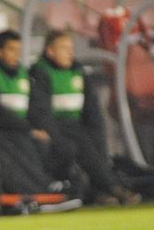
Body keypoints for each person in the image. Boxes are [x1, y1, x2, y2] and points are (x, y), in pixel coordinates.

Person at [28, 30, 142, 205]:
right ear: (50, 51)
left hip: (76, 126)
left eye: (71, 48)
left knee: (93, 147)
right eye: (63, 48)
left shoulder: (79, 71)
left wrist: (97, 135)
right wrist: (55, 135)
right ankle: (112, 187)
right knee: (79, 147)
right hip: (57, 127)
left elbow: (92, 110)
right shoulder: (40, 72)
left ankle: (101, 191)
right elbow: (40, 111)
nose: (69, 52)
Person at [0, 30, 77, 189]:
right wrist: (29, 129)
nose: (16, 55)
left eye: (19, 50)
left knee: (62, 145)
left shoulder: (22, 73)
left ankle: (57, 185)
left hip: (20, 128)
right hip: (2, 129)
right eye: (11, 50)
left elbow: (33, 107)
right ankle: (41, 188)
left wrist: (40, 128)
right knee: (24, 146)